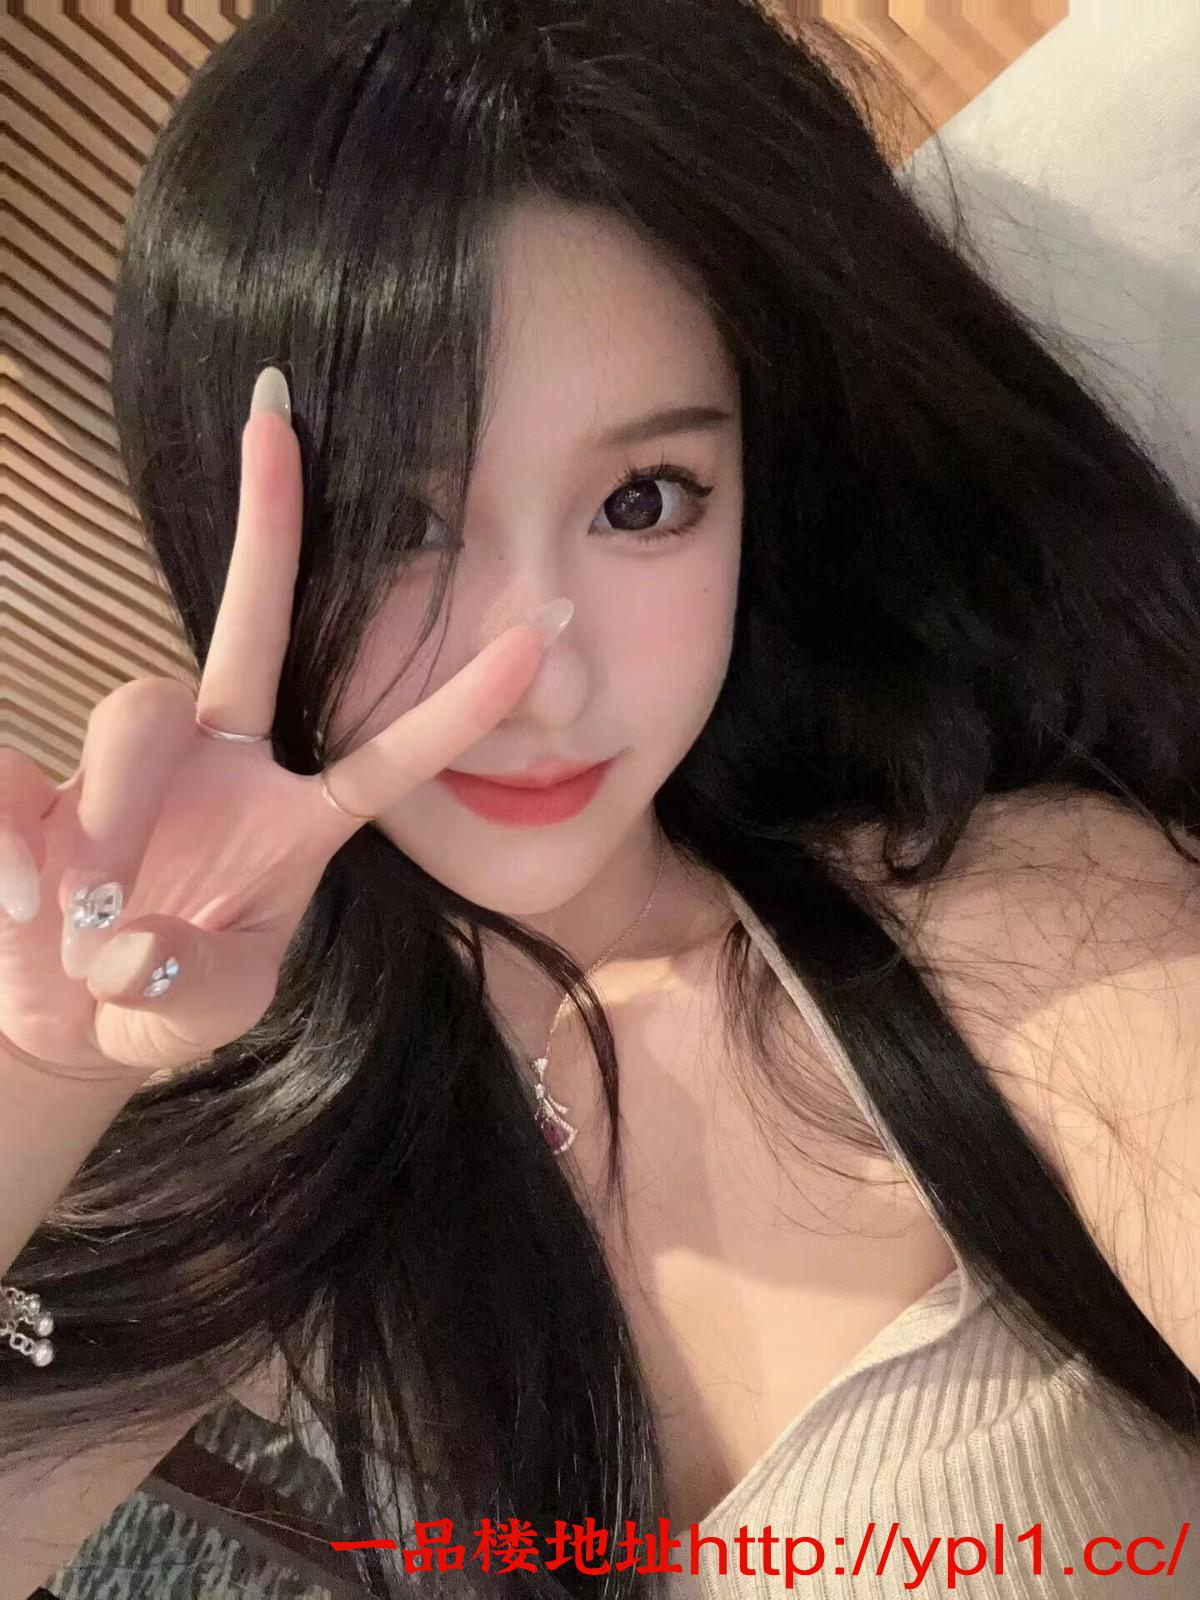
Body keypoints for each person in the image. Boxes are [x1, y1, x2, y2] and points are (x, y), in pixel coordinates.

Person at [2, 1, 1199, 1595]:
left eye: (643, 499)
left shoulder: (1018, 933)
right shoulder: (283, 1120)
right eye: (394, 525)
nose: (541, 682)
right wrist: (45, 1075)